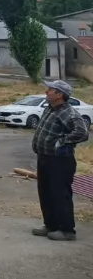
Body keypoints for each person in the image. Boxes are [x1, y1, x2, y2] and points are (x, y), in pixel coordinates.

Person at [32, 80, 88, 241]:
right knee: (46, 194)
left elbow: (82, 132)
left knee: (60, 195)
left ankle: (67, 231)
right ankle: (51, 225)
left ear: (60, 94)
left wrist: (61, 142)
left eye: (50, 90)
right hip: (45, 158)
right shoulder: (49, 109)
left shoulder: (68, 112)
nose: (46, 92)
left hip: (60, 161)